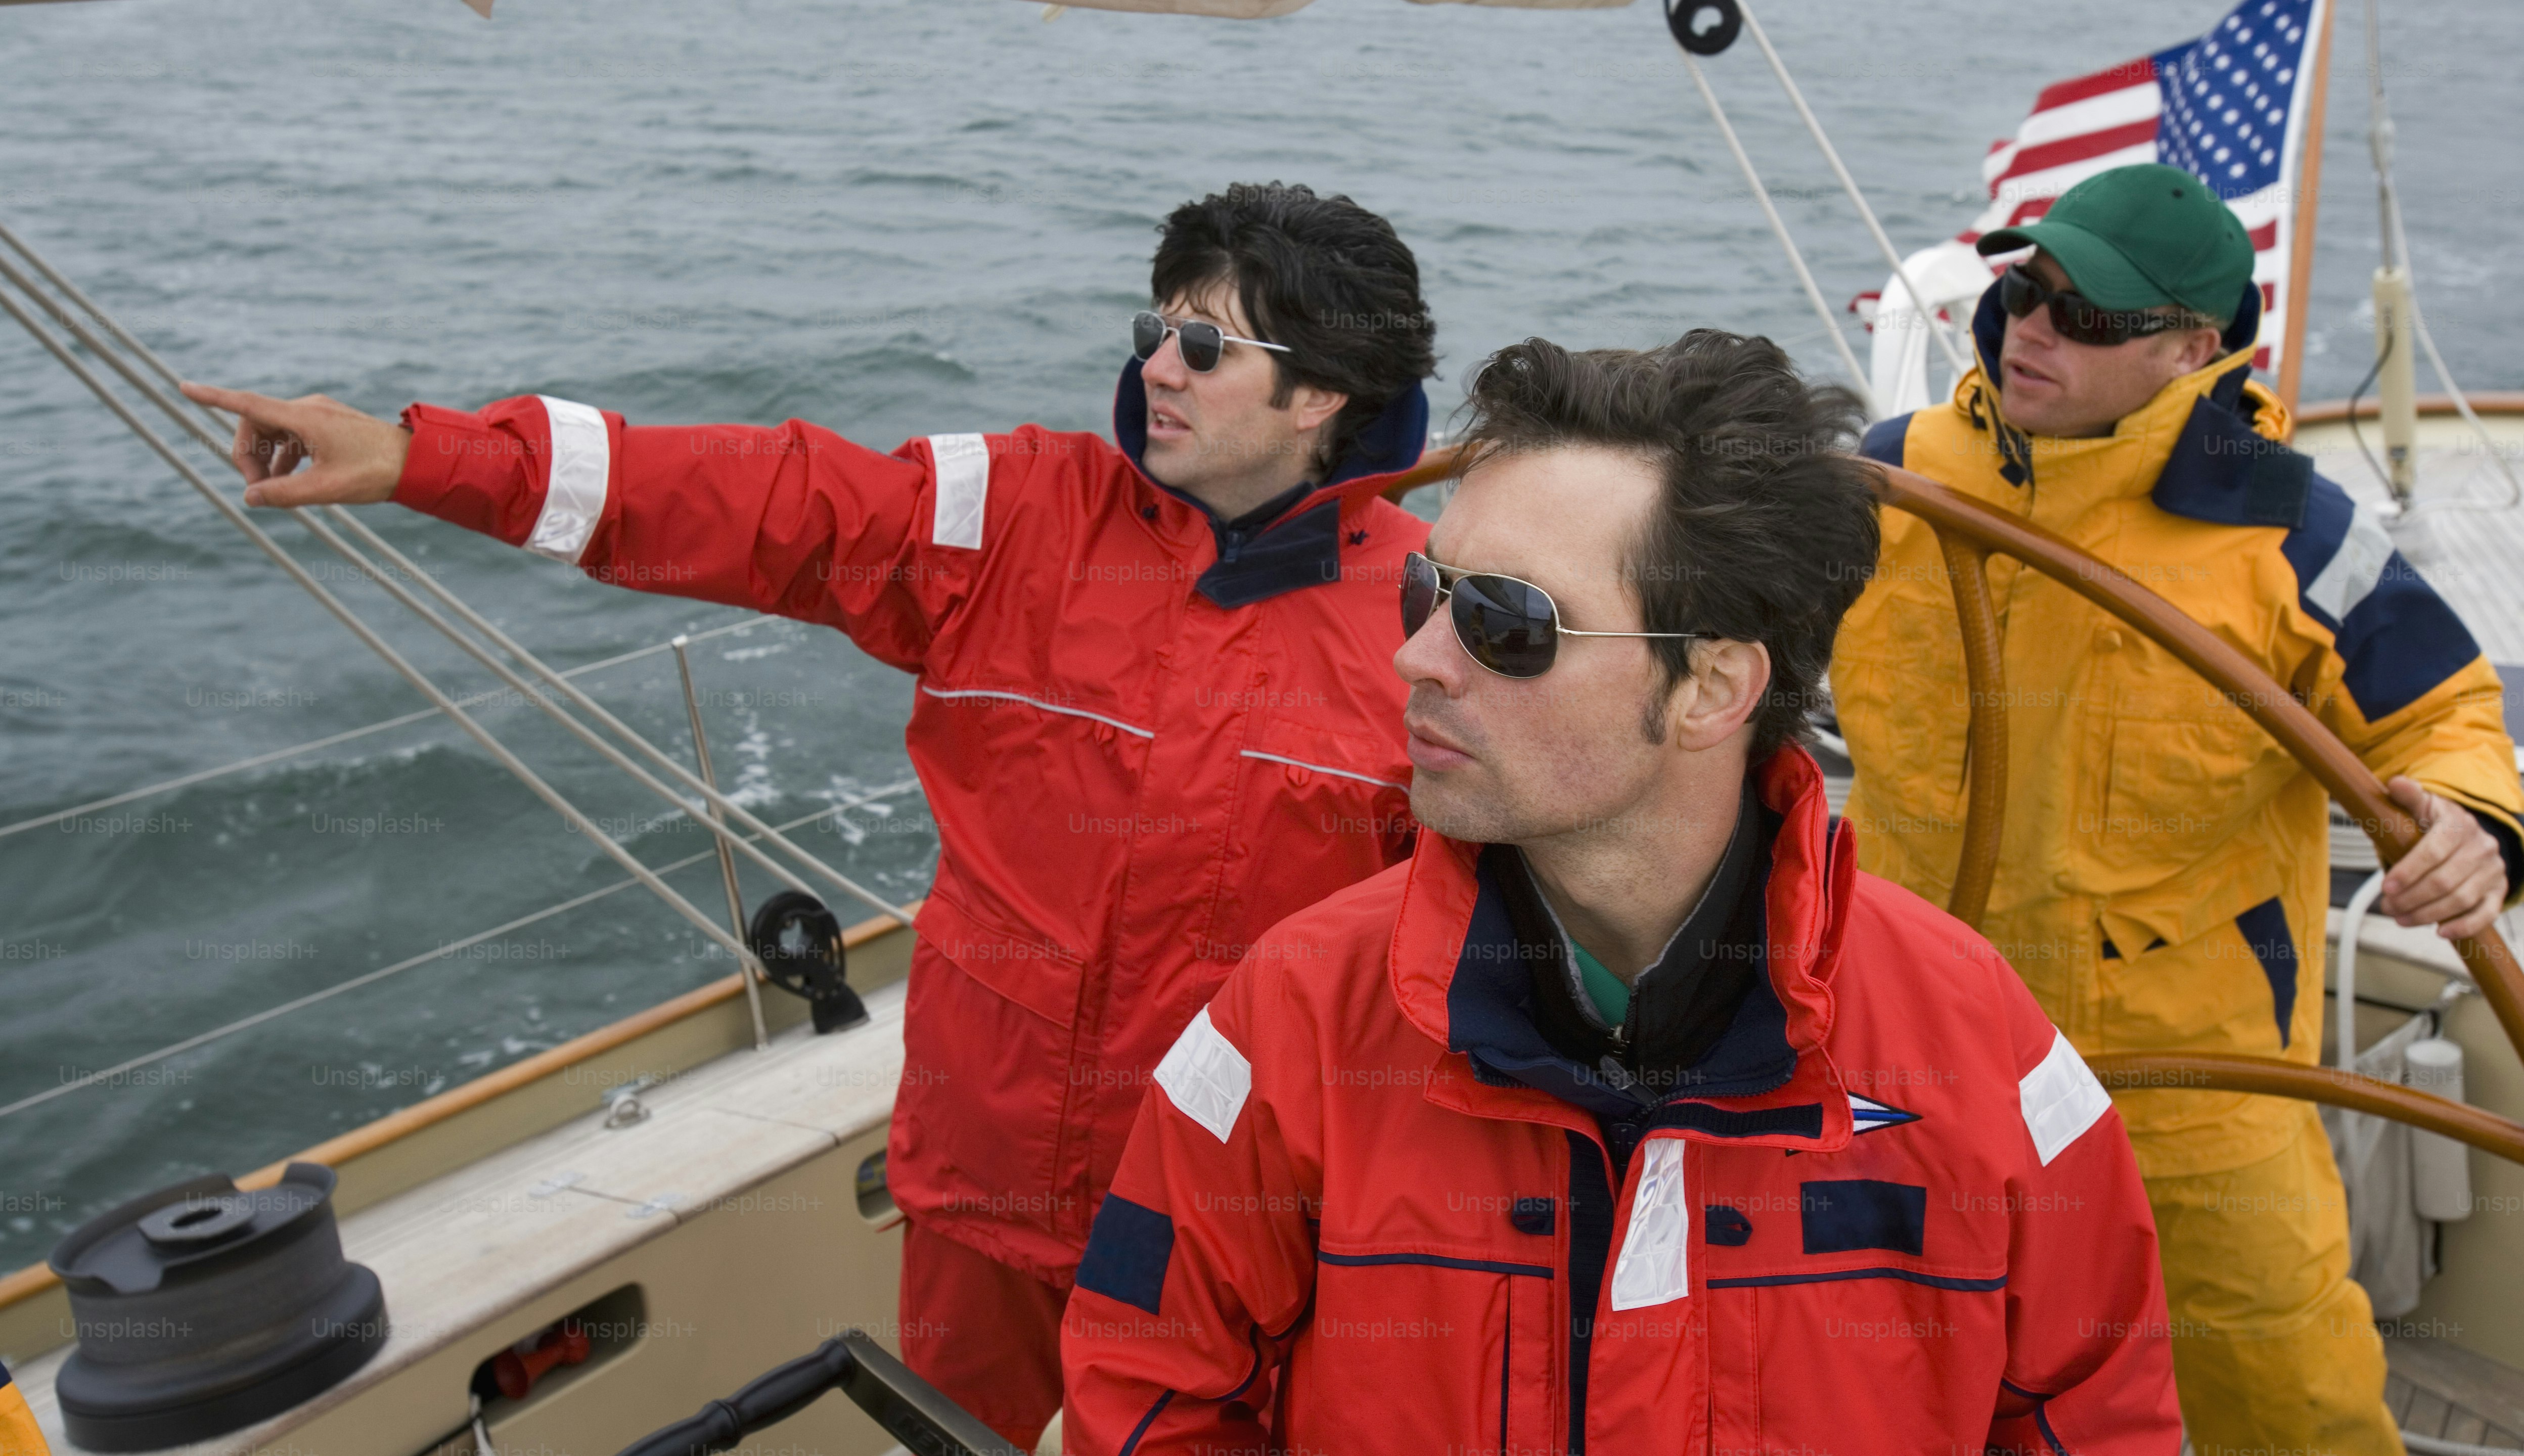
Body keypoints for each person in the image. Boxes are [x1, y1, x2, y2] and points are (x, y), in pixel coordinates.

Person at [184, 183, 1440, 1450]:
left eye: (1205, 346)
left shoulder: (1429, 628)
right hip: (982, 1195)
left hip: (1231, 1228)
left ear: (1321, 394)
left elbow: (1452, 963)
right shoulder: (1011, 513)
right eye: (1154, 330)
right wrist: (423, 459)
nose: (1158, 367)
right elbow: (760, 497)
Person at [1063, 333, 2182, 1455]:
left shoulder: (1982, 1050)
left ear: (1712, 687)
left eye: (1505, 621)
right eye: (1426, 590)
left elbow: (2098, 1416)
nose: (1418, 657)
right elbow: (1148, 1390)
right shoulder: (1296, 1015)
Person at [1831, 162, 2524, 1455]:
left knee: (2288, 1395)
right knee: (1882, 1370)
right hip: (1902, 1036)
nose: (2033, 328)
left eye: (2088, 315)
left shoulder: (2294, 531)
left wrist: (2470, 821)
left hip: (2194, 1075)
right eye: (2025, 289)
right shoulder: (1892, 476)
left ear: (2194, 349)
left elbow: (2444, 709)